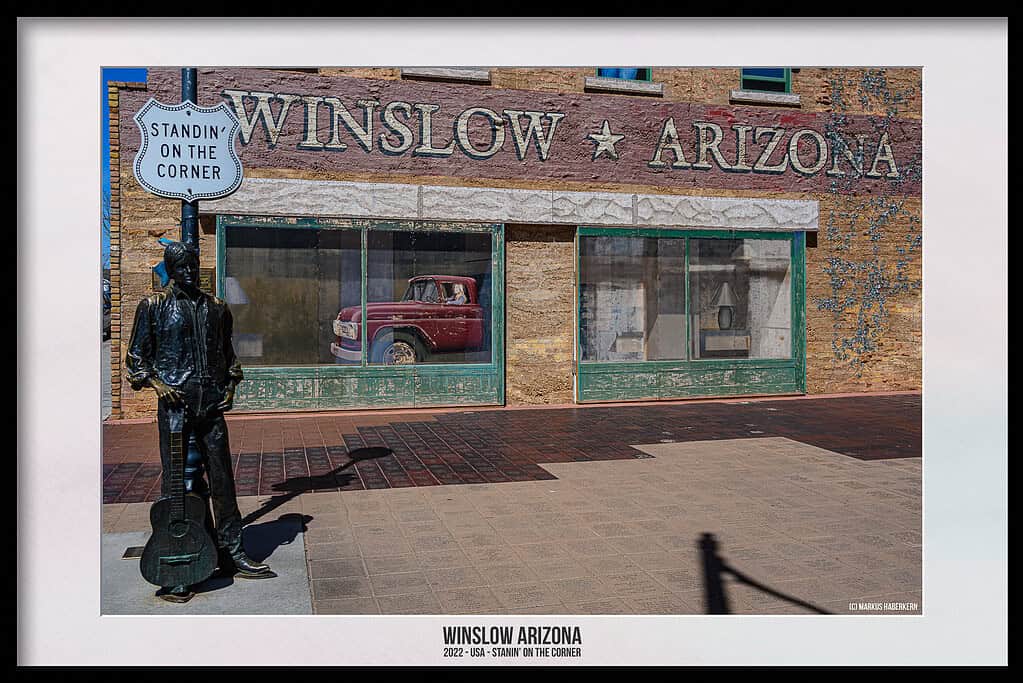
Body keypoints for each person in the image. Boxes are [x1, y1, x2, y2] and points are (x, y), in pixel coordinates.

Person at [126, 241, 273, 600]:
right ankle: (180, 562)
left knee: (222, 479)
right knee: (179, 483)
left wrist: (231, 388)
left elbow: (229, 356)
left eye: (192, 265)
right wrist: (158, 384)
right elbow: (136, 360)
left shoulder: (216, 308)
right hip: (175, 407)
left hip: (210, 406)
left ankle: (232, 550)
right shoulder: (153, 305)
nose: (188, 272)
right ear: (170, 269)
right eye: (181, 267)